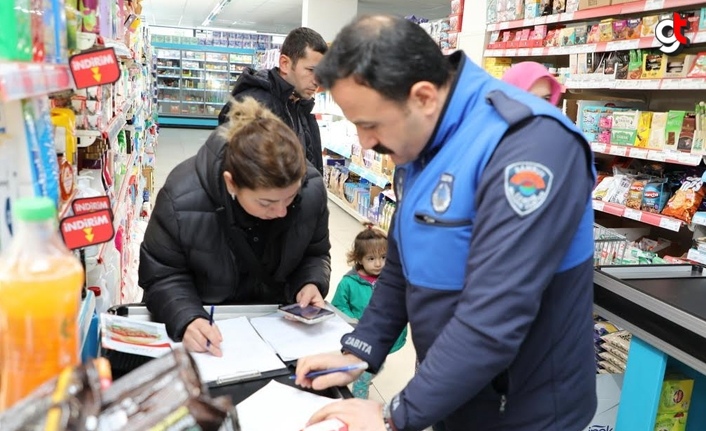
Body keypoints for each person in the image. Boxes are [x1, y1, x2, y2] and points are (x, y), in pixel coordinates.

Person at [295, 15, 597, 431]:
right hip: (454, 395)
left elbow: (495, 314)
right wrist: (360, 352)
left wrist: (392, 416)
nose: (365, 142)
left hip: (523, 413)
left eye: (370, 124)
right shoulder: (424, 140)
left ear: (422, 97)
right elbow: (404, 264)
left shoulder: (530, 146)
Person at [139, 97, 331, 357]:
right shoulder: (181, 198)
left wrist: (310, 282)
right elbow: (162, 275)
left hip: (278, 332)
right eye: (267, 202)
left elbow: (315, 253)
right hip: (210, 327)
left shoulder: (311, 190)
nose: (281, 211)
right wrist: (187, 317)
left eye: (290, 198)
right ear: (231, 183)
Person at [218, 27, 328, 174]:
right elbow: (237, 173)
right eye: (311, 70)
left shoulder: (300, 105)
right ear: (285, 64)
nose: (317, 81)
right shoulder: (253, 106)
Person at [331, 225, 407, 399]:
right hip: (361, 338)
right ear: (359, 258)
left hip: (384, 337)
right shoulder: (349, 283)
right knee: (364, 374)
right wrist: (352, 319)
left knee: (378, 365)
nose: (379, 263)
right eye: (371, 258)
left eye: (383, 257)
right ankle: (359, 399)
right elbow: (338, 306)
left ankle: (364, 378)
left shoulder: (392, 281)